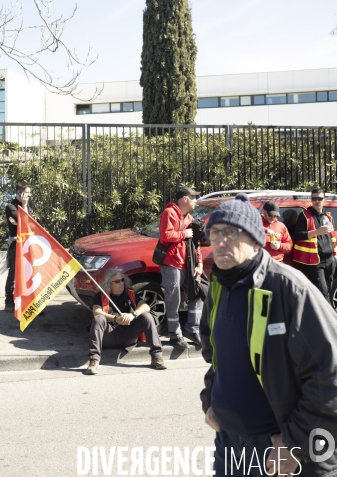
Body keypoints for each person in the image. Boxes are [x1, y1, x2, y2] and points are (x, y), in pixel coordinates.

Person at [200, 193, 337, 477]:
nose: (220, 241)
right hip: (229, 442)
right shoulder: (218, 285)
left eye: (231, 233)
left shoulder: (288, 288)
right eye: (214, 233)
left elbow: (330, 374)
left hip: (277, 446)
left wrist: (294, 444)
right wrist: (210, 400)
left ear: (254, 239)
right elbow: (216, 355)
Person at [86, 267, 166, 375]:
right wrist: (115, 318)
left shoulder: (130, 294)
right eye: (117, 281)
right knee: (98, 318)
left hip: (128, 335)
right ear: (109, 283)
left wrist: (132, 315)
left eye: (122, 280)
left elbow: (146, 306)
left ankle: (157, 357)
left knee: (146, 316)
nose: (121, 283)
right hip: (108, 335)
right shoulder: (100, 295)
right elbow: (96, 311)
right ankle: (94, 360)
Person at [158, 187, 204, 349]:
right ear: (184, 199)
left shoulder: (189, 217)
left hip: (188, 264)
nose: (196, 201)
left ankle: (192, 328)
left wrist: (200, 263)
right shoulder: (169, 213)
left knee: (197, 293)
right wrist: (185, 234)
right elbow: (166, 235)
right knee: (173, 299)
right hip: (172, 264)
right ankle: (175, 335)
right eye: (193, 197)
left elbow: (195, 243)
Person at [293, 187, 337, 301]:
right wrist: (316, 232)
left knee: (329, 290)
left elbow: (332, 237)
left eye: (319, 198)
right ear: (311, 200)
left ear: (324, 200)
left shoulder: (328, 216)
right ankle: (328, 317)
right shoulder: (305, 215)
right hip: (316, 261)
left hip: (330, 259)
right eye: (314, 198)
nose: (317, 201)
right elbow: (297, 235)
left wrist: (335, 255)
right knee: (323, 293)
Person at [4, 182, 34, 312]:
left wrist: (24, 212)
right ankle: (9, 301)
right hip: (16, 244)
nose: (29, 196)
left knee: (30, 272)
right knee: (14, 272)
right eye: (27, 193)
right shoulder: (11, 206)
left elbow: (29, 223)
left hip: (27, 243)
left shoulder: (27, 206)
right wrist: (22, 218)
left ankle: (30, 302)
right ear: (20, 193)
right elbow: (25, 221)